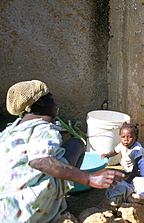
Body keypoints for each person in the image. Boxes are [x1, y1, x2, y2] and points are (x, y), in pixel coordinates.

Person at [0, 80, 124, 222]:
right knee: (76, 144)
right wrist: (90, 178)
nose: (55, 103)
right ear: (40, 103)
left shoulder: (8, 133)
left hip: (5, 209)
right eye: (51, 98)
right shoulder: (42, 128)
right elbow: (40, 161)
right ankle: (57, 201)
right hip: (28, 209)